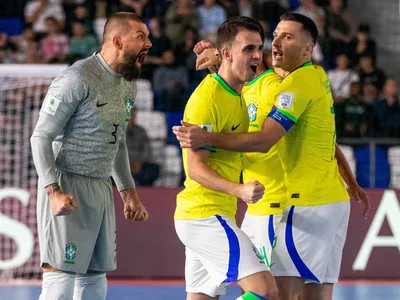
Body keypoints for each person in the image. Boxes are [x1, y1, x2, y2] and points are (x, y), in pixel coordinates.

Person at [173, 13, 369, 300]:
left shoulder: (281, 87)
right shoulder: (232, 91)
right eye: (271, 39)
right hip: (234, 208)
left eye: (260, 48)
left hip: (276, 205)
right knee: (273, 292)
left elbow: (272, 139)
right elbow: (198, 160)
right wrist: (217, 58)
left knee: (277, 293)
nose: (268, 48)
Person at [30, 12, 151, 300]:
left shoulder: (128, 83)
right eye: (141, 37)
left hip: (100, 188)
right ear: (118, 41)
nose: (149, 43)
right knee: (60, 281)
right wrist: (53, 192)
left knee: (95, 281)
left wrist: (128, 193)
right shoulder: (76, 78)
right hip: (66, 185)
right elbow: (41, 136)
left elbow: (118, 140)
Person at [174, 16, 278, 300]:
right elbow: (195, 169)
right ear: (228, 53)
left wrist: (217, 59)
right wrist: (239, 189)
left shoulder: (236, 92)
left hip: (207, 214)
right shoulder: (207, 99)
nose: (257, 55)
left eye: (259, 48)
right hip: (205, 214)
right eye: (248, 49)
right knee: (265, 290)